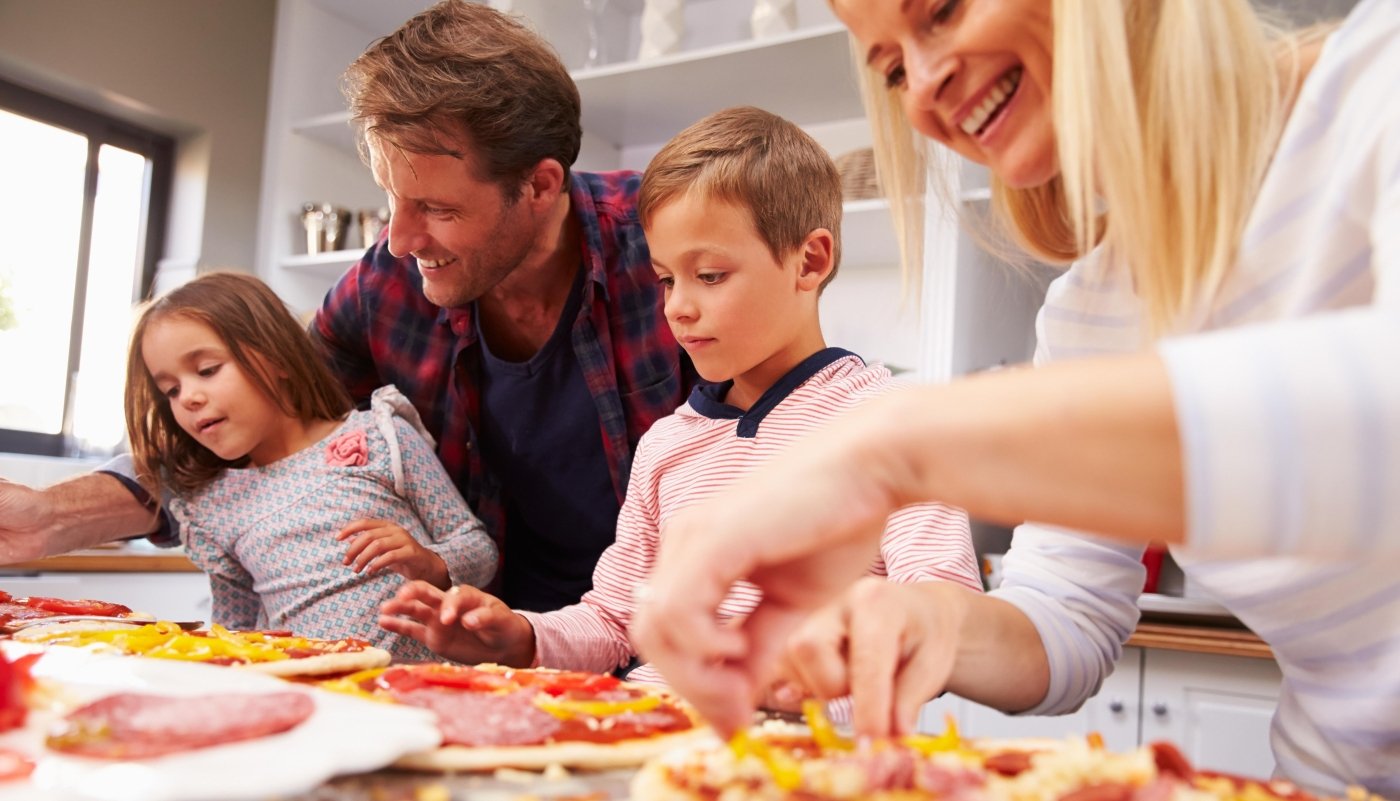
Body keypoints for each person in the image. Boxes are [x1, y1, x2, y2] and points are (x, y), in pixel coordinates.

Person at [630, 0, 1400, 796]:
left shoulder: (1382, 76)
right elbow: (1063, 617)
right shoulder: (1092, 309)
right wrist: (922, 619)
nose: (924, 88)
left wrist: (892, 444)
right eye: (893, 68)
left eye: (942, 10)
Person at [0, 0, 695, 614]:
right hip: (495, 640)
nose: (401, 237)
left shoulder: (671, 243)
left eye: (437, 207)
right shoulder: (384, 287)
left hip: (674, 631)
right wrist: (49, 516)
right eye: (392, 199)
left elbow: (782, 429)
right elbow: (257, 405)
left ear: (540, 186)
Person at [375, 106, 981, 690]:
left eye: (710, 276)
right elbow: (615, 621)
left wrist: (822, 652)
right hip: (653, 729)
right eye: (666, 279)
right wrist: (520, 637)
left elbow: (942, 603)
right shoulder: (669, 443)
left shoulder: (891, 422)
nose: (678, 306)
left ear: (809, 261)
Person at [124, 271, 497, 661]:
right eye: (171, 390)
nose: (189, 398)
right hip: (318, 699)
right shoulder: (213, 505)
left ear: (277, 357)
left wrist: (429, 563)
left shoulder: (380, 437)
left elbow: (478, 549)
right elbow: (234, 635)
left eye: (206, 370)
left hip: (425, 691)